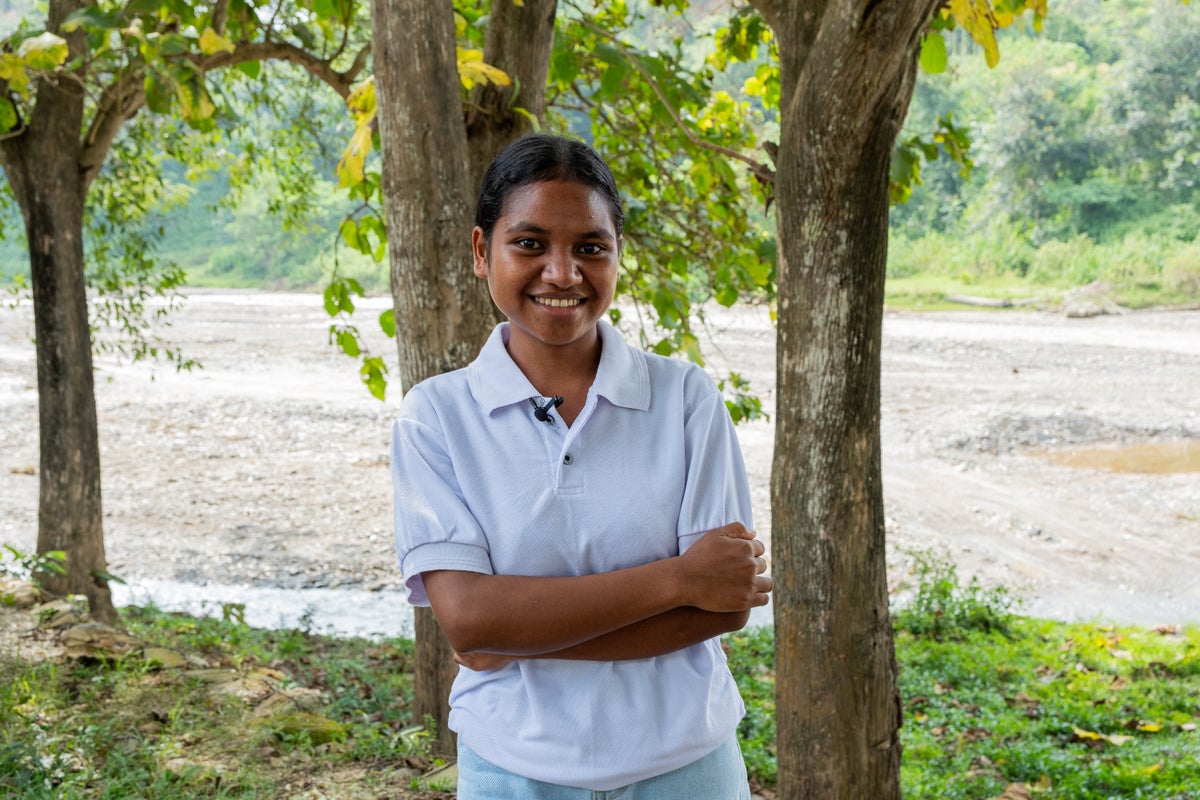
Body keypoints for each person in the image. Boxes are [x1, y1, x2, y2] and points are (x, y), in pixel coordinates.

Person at [390, 133, 772, 799]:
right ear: (483, 253)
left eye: (590, 247)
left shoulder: (684, 400)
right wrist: (680, 577)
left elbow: (722, 608)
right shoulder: (436, 417)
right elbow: (471, 621)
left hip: (687, 766)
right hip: (512, 770)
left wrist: (511, 639)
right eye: (530, 243)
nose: (562, 273)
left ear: (619, 256)